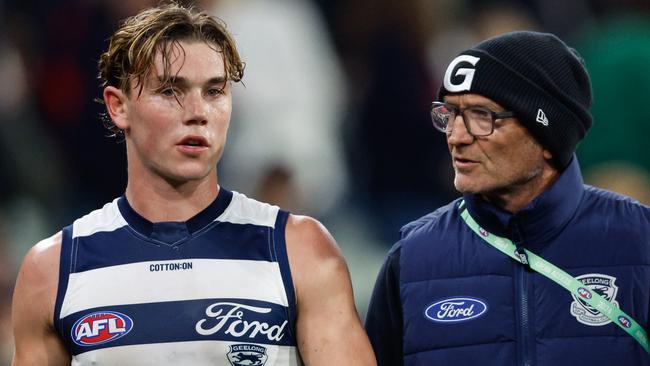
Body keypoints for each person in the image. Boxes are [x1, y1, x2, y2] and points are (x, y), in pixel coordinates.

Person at [11, 3, 376, 366]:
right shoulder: (54, 269)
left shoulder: (300, 250)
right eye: (171, 91)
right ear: (118, 107)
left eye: (214, 91)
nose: (198, 112)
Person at [365, 30, 650, 365]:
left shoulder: (641, 241)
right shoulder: (411, 259)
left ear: (547, 136)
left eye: (481, 116)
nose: (456, 137)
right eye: (450, 114)